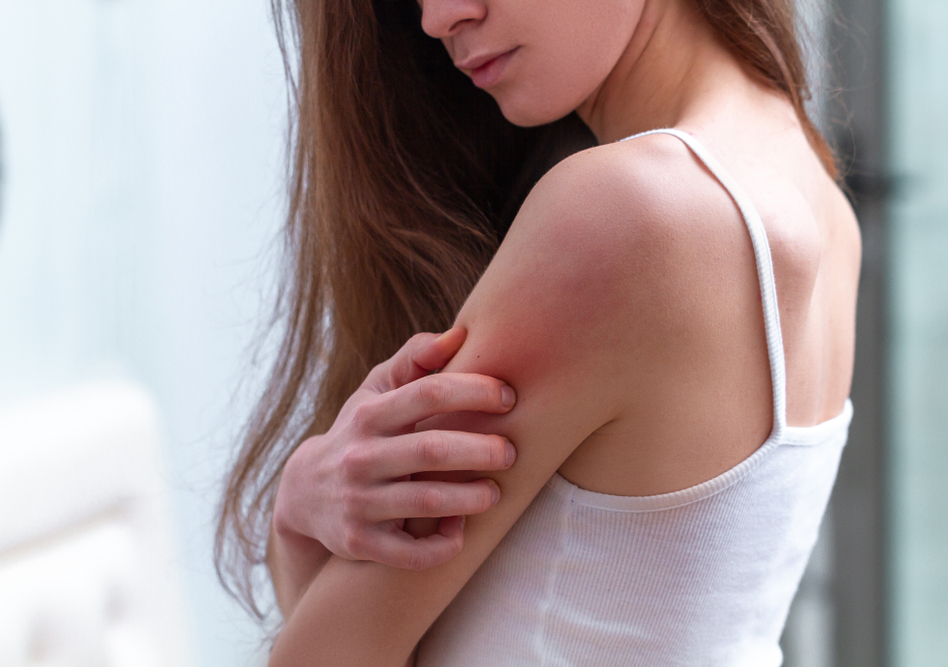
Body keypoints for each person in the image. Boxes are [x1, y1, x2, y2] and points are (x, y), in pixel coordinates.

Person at [216, 0, 861, 663]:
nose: (439, 18)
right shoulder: (816, 194)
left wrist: (294, 516)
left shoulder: (626, 215)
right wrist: (301, 521)